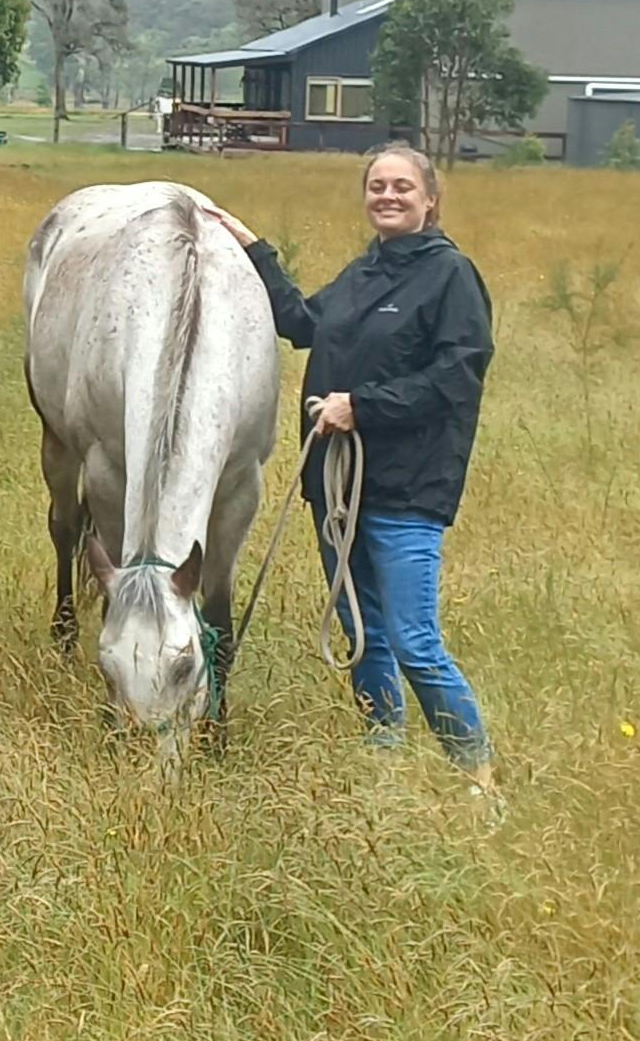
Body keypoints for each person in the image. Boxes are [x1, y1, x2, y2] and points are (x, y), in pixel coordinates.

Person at [207, 143, 498, 788]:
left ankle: (479, 777)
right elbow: (305, 324)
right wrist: (257, 252)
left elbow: (458, 374)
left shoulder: (451, 276)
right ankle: (384, 755)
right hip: (338, 490)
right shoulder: (366, 272)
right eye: (376, 186)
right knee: (359, 629)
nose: (387, 197)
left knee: (415, 641)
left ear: (430, 199)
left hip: (407, 489)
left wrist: (361, 408)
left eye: (401, 187)